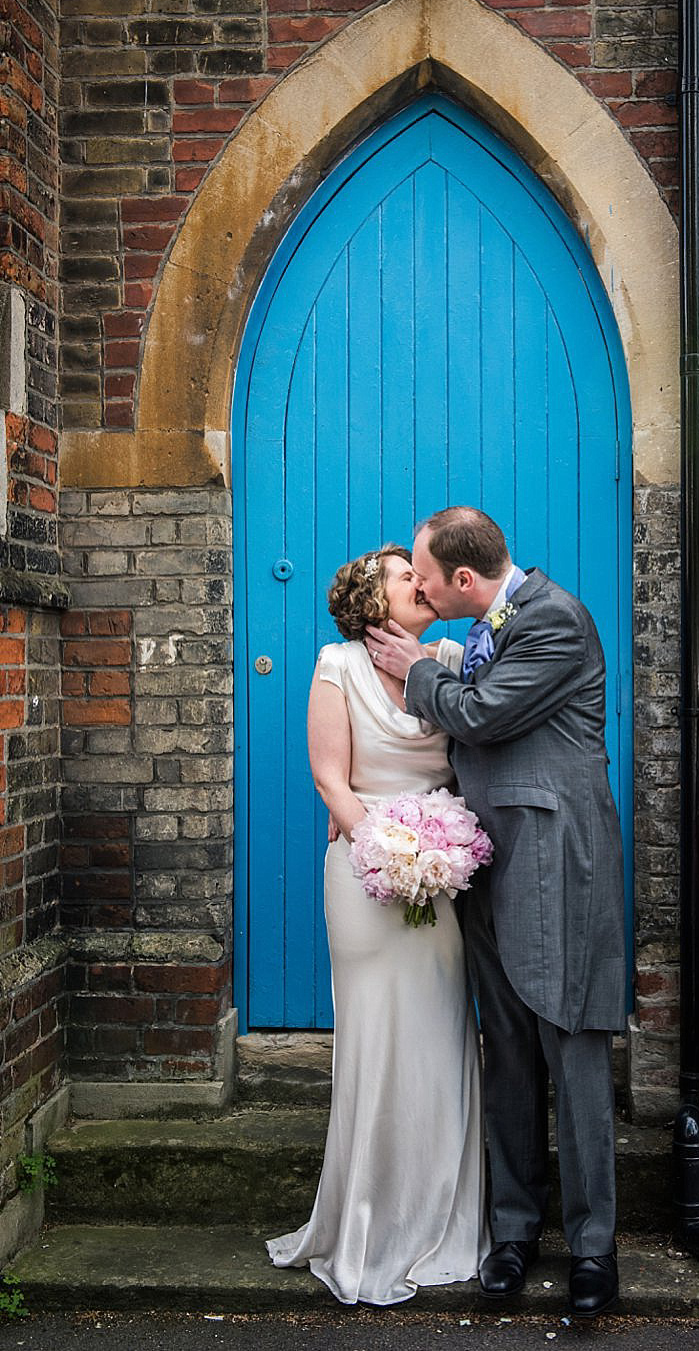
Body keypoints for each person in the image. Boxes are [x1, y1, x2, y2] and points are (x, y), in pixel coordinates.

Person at [366, 507, 625, 1319]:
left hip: (556, 865)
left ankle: (593, 1248)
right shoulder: (489, 622)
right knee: (507, 1047)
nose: (420, 584)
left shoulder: (553, 621)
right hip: (487, 861)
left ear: (465, 581)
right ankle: (513, 1234)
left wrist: (414, 666)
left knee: (571, 1047)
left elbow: (477, 715)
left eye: (426, 573)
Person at [266, 544, 488, 1306]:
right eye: (404, 577)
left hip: (445, 863)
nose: (421, 584)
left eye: (420, 575)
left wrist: (435, 849)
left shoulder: (454, 656)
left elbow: (475, 757)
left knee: (439, 1038)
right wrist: (387, 850)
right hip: (366, 868)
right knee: (375, 1043)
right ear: (372, 598)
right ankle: (364, 1225)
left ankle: (442, 1218)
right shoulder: (337, 666)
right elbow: (330, 776)